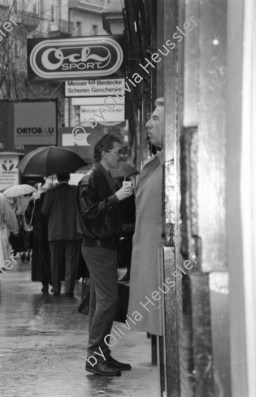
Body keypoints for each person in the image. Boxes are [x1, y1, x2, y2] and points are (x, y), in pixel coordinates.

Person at [77, 133, 134, 376]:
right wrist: (115, 197)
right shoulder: (91, 178)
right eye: (117, 151)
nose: (120, 155)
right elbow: (87, 211)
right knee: (108, 300)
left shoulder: (102, 176)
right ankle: (95, 356)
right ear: (104, 152)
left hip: (103, 244)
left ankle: (101, 354)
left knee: (100, 302)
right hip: (97, 245)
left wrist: (117, 197)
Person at [128, 98, 165, 337]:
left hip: (161, 263)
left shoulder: (170, 166)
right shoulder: (155, 165)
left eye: (155, 119)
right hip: (150, 258)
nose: (148, 125)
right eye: (149, 118)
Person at [42, 173, 82, 297]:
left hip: (55, 231)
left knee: (55, 261)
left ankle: (56, 288)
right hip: (73, 231)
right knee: (71, 260)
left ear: (58, 179)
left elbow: (44, 211)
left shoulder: (51, 192)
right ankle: (69, 289)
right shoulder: (76, 191)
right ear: (69, 178)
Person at [25, 182, 52, 293]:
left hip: (39, 233)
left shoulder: (34, 200)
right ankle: (53, 280)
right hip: (51, 231)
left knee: (41, 257)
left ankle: (44, 283)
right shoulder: (52, 199)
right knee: (52, 257)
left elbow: (28, 218)